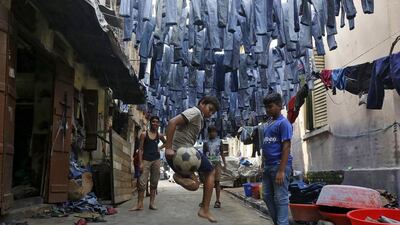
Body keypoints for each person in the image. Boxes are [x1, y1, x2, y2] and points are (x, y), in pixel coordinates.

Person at [165, 96, 220, 223]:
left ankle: (177, 177)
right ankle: (205, 209)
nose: (210, 114)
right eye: (210, 109)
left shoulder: (199, 118)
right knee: (211, 171)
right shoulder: (195, 112)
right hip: (180, 152)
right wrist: (168, 148)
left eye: (213, 113)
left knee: (195, 185)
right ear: (202, 103)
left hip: (183, 155)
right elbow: (172, 122)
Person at [261, 93, 293, 225]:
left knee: (281, 199)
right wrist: (263, 164)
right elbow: (266, 145)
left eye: (270, 107)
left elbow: (286, 147)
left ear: (280, 106)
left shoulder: (284, 123)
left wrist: (281, 170)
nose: (268, 110)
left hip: (279, 166)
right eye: (266, 108)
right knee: (267, 195)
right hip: (268, 166)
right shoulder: (269, 123)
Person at [130, 116, 166, 211]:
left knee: (154, 182)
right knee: (141, 183)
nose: (155, 123)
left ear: (159, 124)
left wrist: (159, 148)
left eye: (157, 122)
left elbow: (166, 143)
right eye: (153, 122)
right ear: (150, 123)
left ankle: (152, 204)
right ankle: (139, 204)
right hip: (146, 160)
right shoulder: (144, 134)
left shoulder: (160, 135)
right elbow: (140, 149)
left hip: (156, 160)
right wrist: (140, 163)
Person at [201, 125, 226, 209]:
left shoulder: (219, 141)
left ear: (216, 132)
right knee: (207, 183)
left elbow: (222, 153)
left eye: (214, 131)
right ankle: (204, 201)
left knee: (217, 182)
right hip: (208, 164)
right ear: (208, 133)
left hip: (217, 163)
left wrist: (224, 164)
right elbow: (203, 155)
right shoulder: (205, 143)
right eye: (211, 132)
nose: (213, 133)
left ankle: (218, 201)